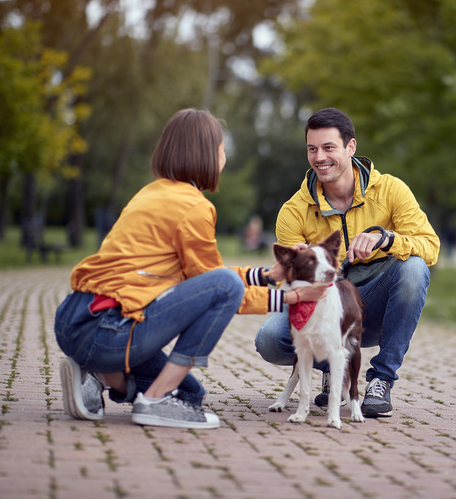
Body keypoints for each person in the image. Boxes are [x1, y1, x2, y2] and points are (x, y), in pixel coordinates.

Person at [54, 108, 327, 429]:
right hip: (105, 328)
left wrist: (267, 276)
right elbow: (223, 289)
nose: (224, 156)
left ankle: (101, 375)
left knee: (189, 394)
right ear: (208, 154)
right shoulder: (194, 207)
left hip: (75, 318)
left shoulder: (152, 192)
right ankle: (152, 401)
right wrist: (292, 299)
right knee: (224, 286)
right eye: (222, 148)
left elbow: (204, 276)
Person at [254, 107, 440, 418]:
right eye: (312, 149)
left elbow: (430, 246)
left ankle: (381, 380)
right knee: (269, 339)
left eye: (329, 147)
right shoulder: (294, 210)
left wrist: (387, 239)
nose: (319, 157)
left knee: (414, 268)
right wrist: (297, 263)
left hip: (374, 303)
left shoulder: (391, 190)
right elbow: (287, 279)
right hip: (324, 302)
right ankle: (330, 367)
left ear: (350, 147)